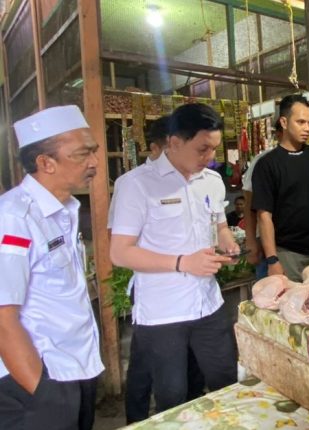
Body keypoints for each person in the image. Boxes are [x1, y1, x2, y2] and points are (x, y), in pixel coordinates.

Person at [110, 103, 238, 414]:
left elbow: (219, 224)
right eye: (202, 149)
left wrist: (228, 243)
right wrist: (183, 262)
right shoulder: (136, 184)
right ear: (175, 143)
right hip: (163, 313)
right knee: (173, 397)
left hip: (208, 303)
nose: (210, 157)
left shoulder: (211, 180)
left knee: (226, 381)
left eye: (214, 149)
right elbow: (120, 252)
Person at [0, 106, 103, 429]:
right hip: (39, 378)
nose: (94, 162)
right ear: (46, 163)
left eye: (94, 151)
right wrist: (41, 392)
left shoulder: (65, 210)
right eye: (82, 154)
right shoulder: (15, 217)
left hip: (76, 367)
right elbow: (3, 317)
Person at [251, 95, 309, 282]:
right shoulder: (268, 164)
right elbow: (264, 216)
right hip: (289, 254)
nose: (307, 128)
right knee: (292, 306)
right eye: (301, 122)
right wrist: (272, 260)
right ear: (284, 122)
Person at [241, 120, 282, 277]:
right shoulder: (263, 161)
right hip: (269, 244)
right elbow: (249, 203)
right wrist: (251, 241)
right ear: (278, 134)